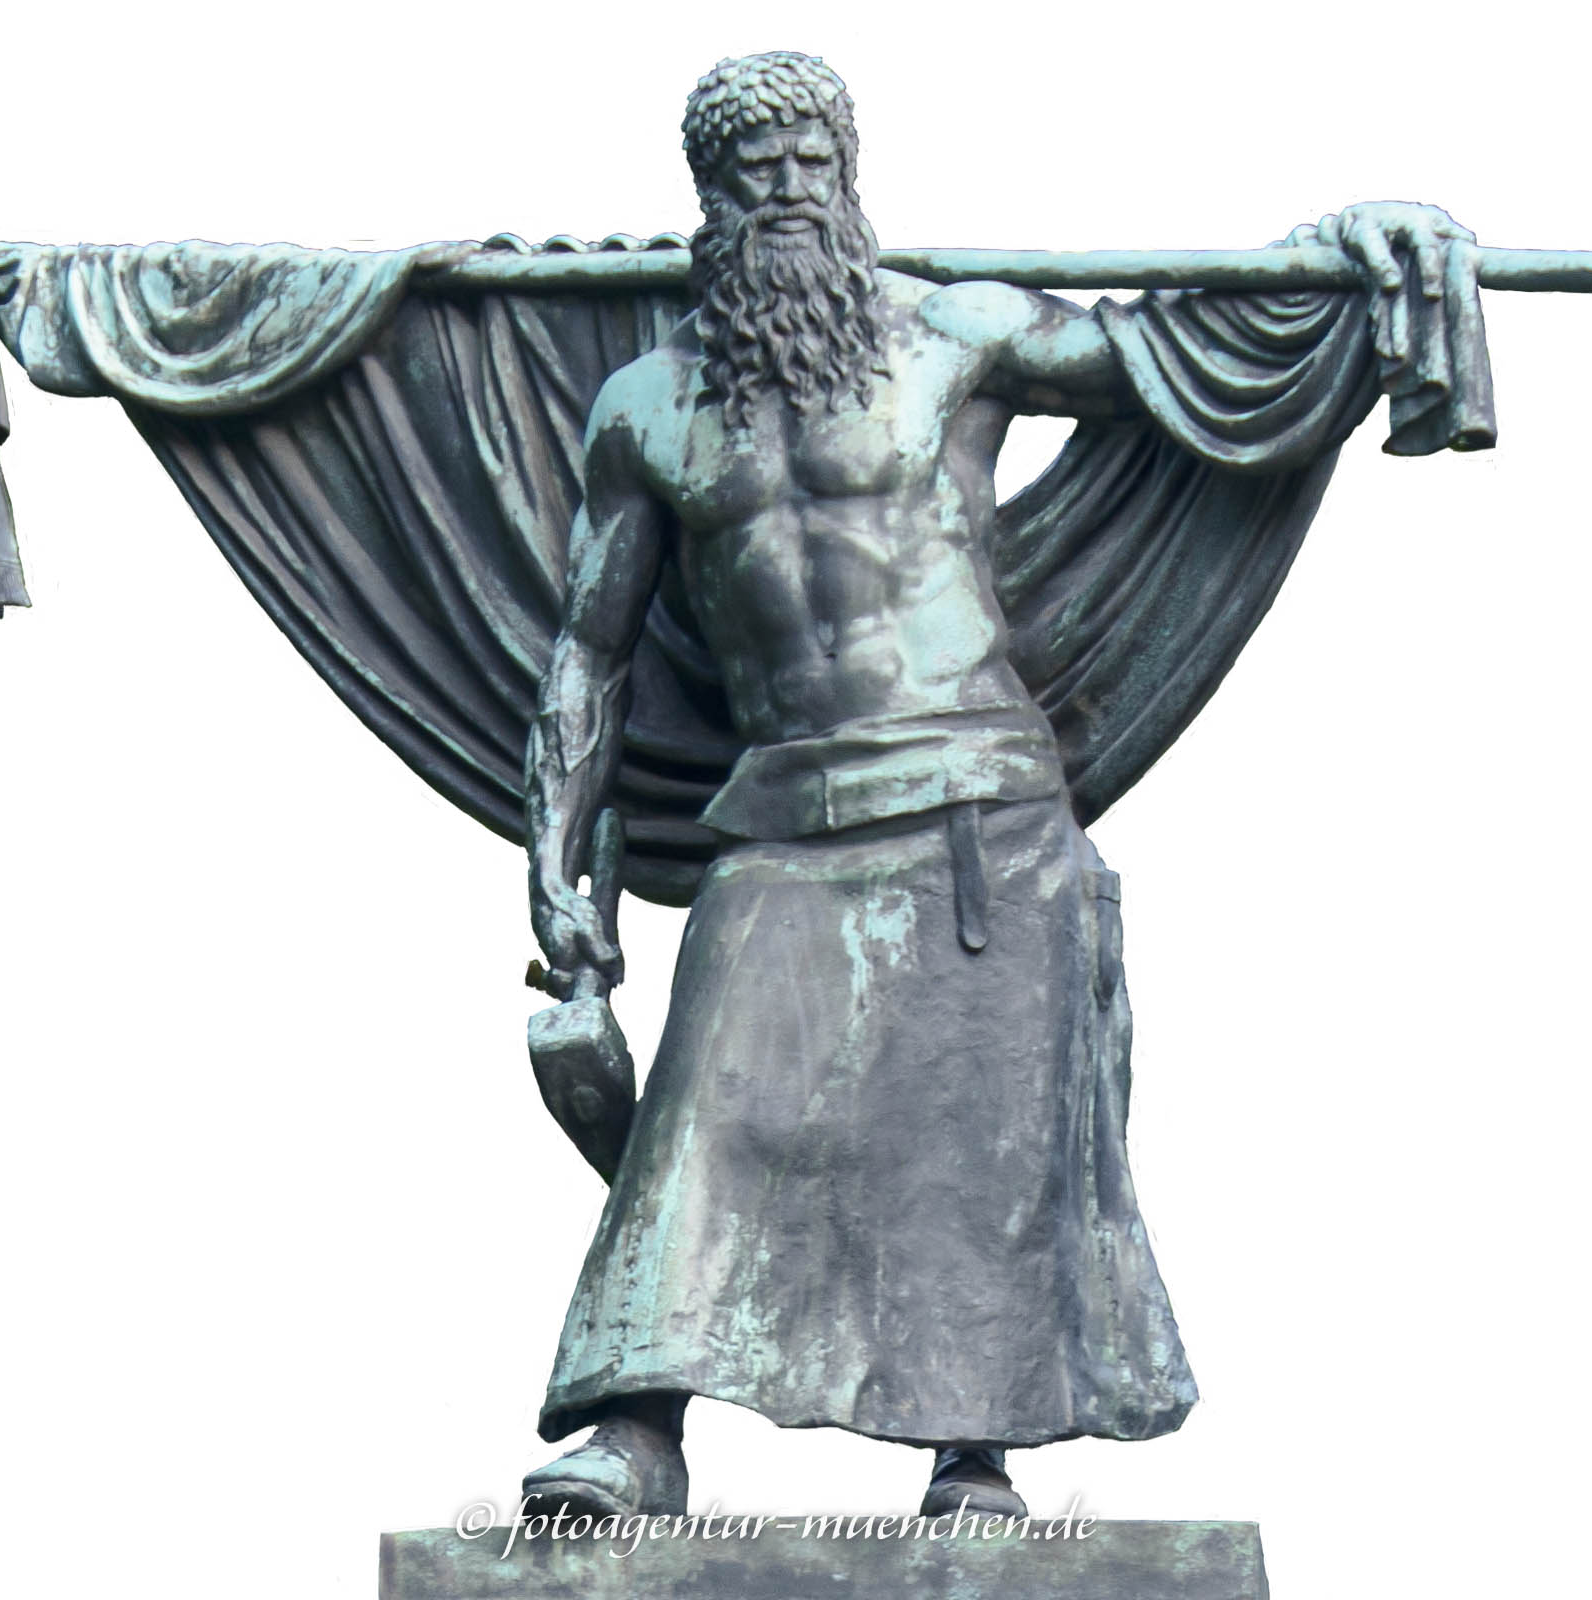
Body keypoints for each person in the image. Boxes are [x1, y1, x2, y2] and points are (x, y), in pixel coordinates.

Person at [522, 50, 1467, 1518]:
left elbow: (1174, 360)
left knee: (976, 1149)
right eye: (755, 171)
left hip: (979, 801)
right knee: (706, 1123)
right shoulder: (647, 407)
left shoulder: (955, 331)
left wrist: (1342, 259)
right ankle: (637, 1429)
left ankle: (974, 1460)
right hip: (784, 819)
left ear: (850, 178)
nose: (787, 191)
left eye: (811, 163)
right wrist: (552, 866)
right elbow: (591, 654)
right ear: (709, 197)